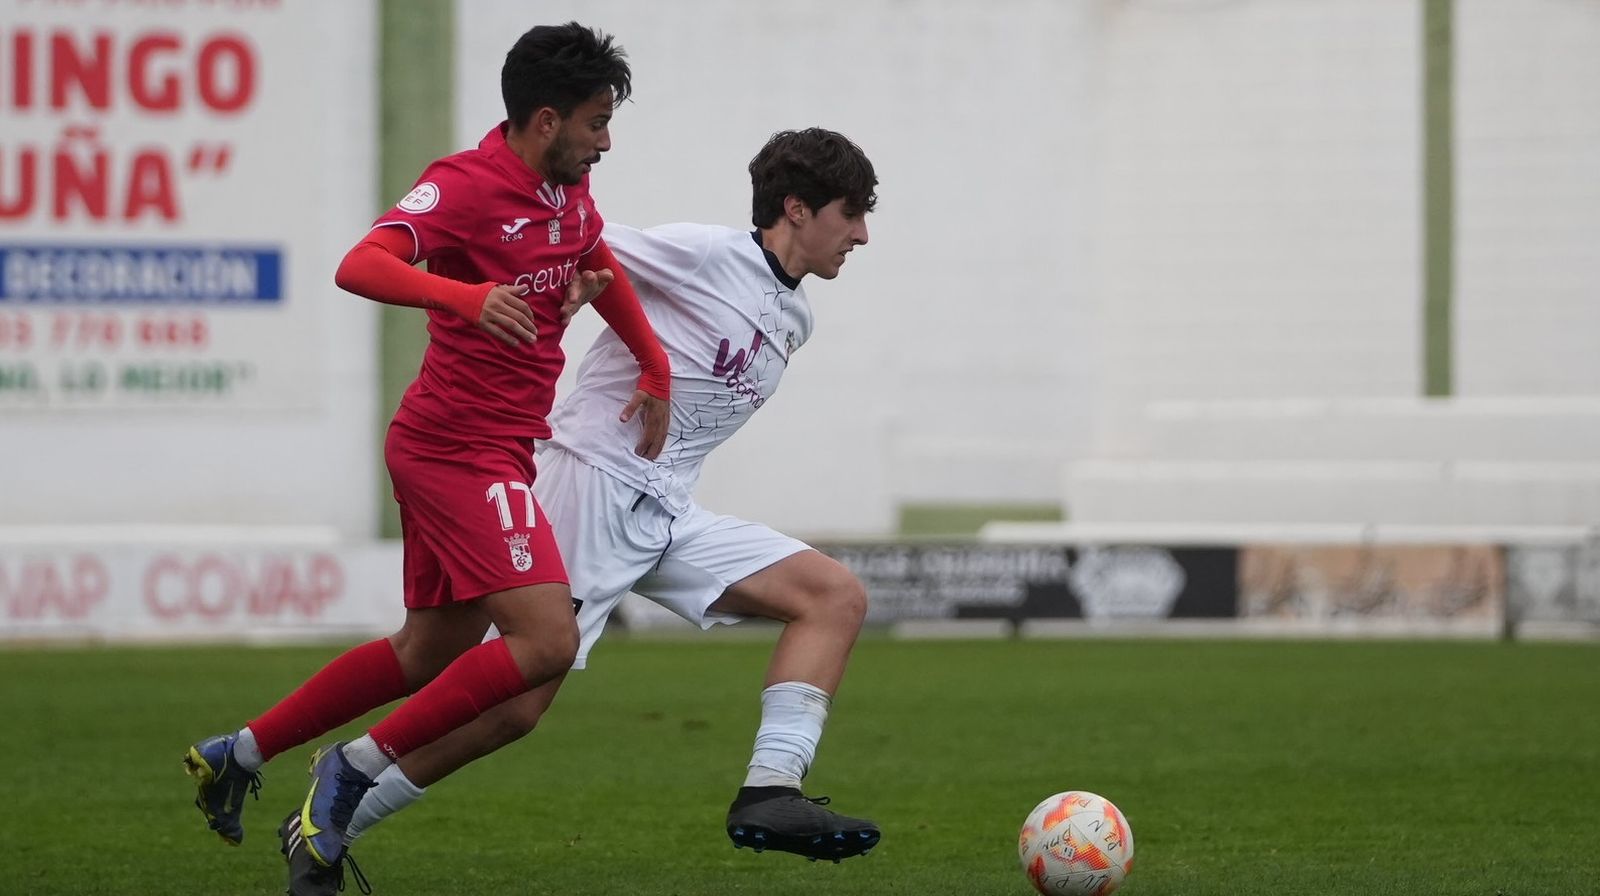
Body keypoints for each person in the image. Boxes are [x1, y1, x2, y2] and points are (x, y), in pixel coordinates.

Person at [278, 127, 881, 895]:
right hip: (591, 483)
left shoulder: (797, 316)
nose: (861, 233)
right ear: (797, 208)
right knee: (512, 711)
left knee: (833, 595)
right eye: (851, 212)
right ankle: (334, 811)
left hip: (666, 509)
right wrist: (549, 287)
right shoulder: (705, 253)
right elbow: (581, 245)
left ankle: (771, 792)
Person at [182, 21, 671, 879]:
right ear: (547, 119)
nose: (606, 139)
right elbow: (359, 264)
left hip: (496, 448)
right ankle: (352, 768)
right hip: (457, 449)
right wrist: (467, 298)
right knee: (548, 641)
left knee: (428, 652)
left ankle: (239, 754)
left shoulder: (566, 195)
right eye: (597, 121)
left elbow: (593, 254)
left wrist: (654, 361)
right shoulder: (467, 185)